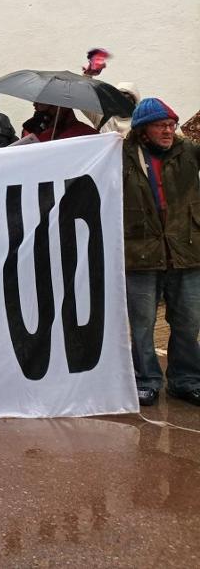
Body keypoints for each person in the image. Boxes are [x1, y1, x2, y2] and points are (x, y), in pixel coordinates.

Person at [121, 98, 200, 407]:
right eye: (161, 126)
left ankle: (186, 380)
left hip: (187, 249)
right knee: (141, 324)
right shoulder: (121, 156)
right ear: (143, 130)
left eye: (171, 125)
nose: (168, 131)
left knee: (188, 321)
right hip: (140, 252)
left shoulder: (188, 152)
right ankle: (146, 380)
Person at [22, 103, 98, 142]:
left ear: (60, 106)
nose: (34, 105)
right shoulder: (29, 130)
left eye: (41, 101)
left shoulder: (88, 135)